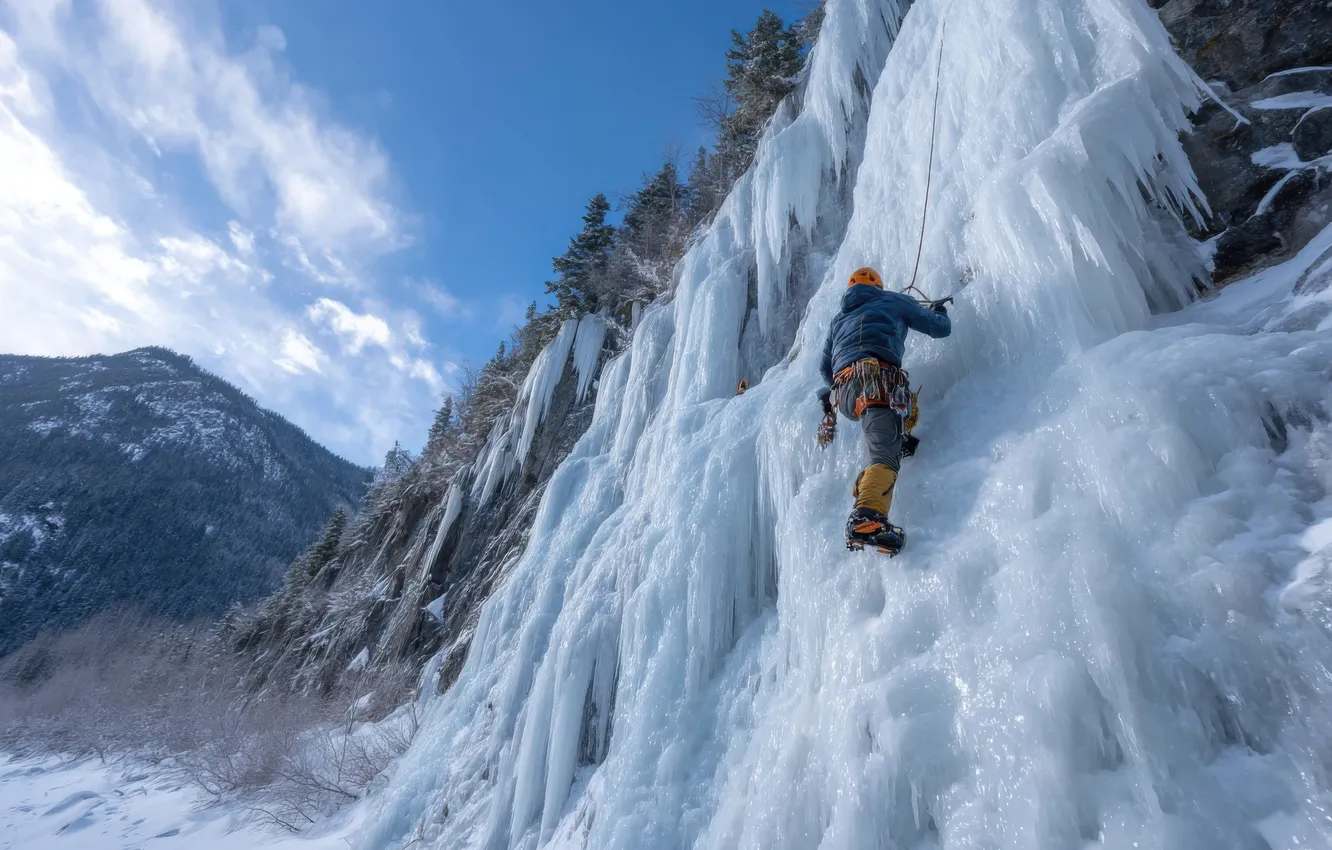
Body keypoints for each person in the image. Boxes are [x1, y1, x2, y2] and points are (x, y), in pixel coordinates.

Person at [817, 266, 951, 553]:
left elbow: (824, 368)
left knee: (885, 442)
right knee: (882, 455)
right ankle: (866, 516)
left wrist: (845, 379)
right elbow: (939, 329)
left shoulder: (838, 320)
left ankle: (895, 450)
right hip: (876, 382)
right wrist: (940, 311)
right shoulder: (891, 300)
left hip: (846, 394)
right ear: (877, 286)